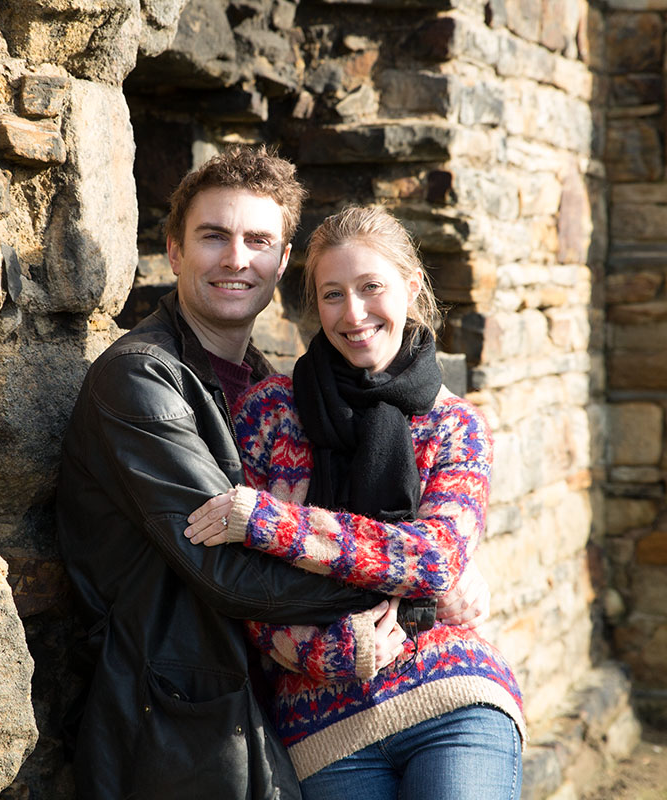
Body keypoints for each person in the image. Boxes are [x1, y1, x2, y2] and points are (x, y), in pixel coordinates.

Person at [184, 205, 525, 800]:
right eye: (333, 294)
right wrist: (336, 651)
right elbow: (241, 583)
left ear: (410, 288)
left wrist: (272, 522)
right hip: (322, 724)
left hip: (452, 691)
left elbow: (435, 559)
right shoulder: (268, 413)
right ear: (315, 306)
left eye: (372, 288)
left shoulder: (456, 426)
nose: (355, 313)